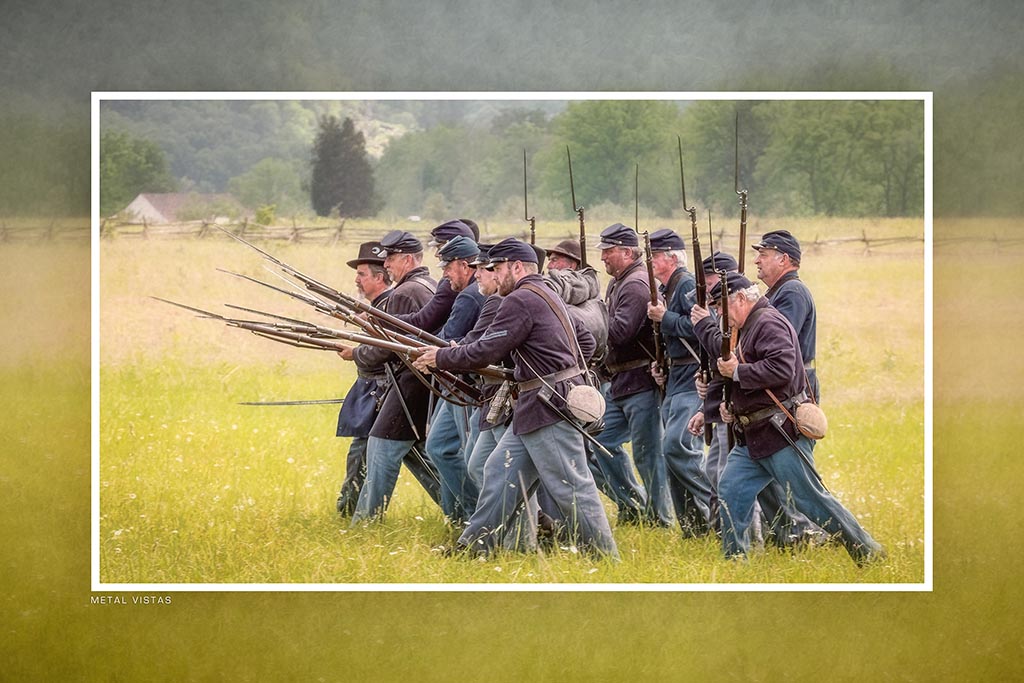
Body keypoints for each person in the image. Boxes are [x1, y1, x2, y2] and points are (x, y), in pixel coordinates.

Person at [413, 238, 618, 559]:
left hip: (548, 405)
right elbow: (584, 341)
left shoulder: (520, 299)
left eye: (496, 268)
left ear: (517, 267)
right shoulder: (545, 293)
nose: (490, 273)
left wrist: (441, 357)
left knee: (573, 489)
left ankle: (607, 561)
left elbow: (487, 349)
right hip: (538, 405)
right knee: (497, 473)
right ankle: (474, 548)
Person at [709, 272, 884, 565]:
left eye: (720, 307)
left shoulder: (769, 322)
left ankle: (867, 550)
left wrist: (738, 372)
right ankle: (735, 560)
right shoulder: (748, 327)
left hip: (780, 433)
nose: (718, 315)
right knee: (730, 489)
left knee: (811, 501)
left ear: (740, 299)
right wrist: (729, 407)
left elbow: (782, 369)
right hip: (754, 436)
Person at [344, 230, 443, 523]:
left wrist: (357, 353)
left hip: (409, 384)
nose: (386, 264)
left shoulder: (405, 292)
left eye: (391, 258)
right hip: (419, 382)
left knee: (381, 449)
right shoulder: (425, 284)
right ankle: (465, 514)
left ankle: (364, 523)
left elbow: (392, 348)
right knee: (420, 454)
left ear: (408, 259)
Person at [592, 223, 673, 527]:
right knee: (600, 441)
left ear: (627, 252)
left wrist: (587, 325)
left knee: (648, 454)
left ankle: (660, 518)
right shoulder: (620, 282)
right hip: (620, 382)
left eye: (608, 251)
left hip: (640, 381)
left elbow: (620, 332)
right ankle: (633, 504)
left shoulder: (637, 283)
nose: (603, 258)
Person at [644, 228, 714, 536]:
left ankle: (719, 505)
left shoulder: (685, 283)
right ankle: (693, 527)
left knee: (677, 446)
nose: (651, 261)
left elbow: (702, 325)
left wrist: (665, 319)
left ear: (671, 257)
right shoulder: (665, 288)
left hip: (690, 379)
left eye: (655, 256)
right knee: (669, 453)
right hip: (675, 378)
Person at [423, 235, 485, 524]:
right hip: (457, 385)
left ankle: (477, 515)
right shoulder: (473, 292)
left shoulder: (471, 296)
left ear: (463, 265)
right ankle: (465, 514)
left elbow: (448, 340)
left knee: (473, 458)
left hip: (466, 387)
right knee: (437, 447)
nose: (445, 274)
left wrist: (407, 343)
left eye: (448, 267)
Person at [335, 241, 393, 515]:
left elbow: (386, 350)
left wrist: (356, 352)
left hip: (380, 389)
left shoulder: (388, 306)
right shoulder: (376, 307)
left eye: (362, 274)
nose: (356, 280)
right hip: (374, 387)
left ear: (379, 277)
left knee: (361, 452)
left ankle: (348, 511)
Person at [544, 238, 609, 367]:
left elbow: (565, 285)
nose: (549, 266)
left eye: (554, 260)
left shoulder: (583, 281)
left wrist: (542, 289)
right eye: (549, 260)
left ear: (572, 265)